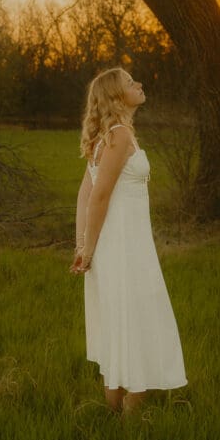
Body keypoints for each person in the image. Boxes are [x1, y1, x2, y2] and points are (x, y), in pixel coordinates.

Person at [70, 68, 187, 414]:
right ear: (117, 96)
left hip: (120, 245)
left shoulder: (109, 135)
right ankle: (131, 423)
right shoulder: (118, 136)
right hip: (123, 248)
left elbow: (85, 193)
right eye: (130, 82)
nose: (139, 84)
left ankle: (115, 416)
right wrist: (86, 248)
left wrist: (83, 245)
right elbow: (97, 195)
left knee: (120, 322)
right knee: (136, 322)